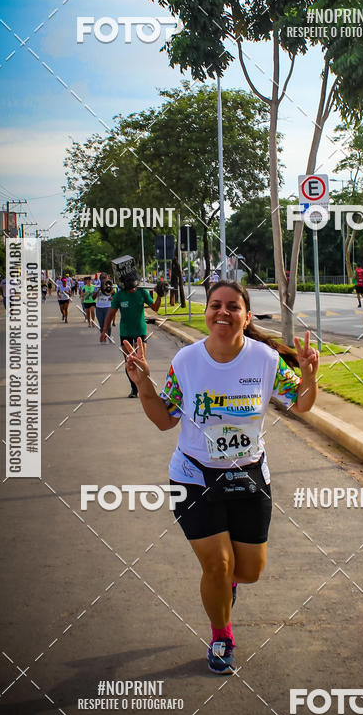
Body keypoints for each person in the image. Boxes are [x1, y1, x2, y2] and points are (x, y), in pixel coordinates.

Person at [124, 280, 319, 674]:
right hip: (194, 477)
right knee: (217, 564)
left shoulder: (264, 359)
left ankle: (227, 586)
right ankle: (222, 636)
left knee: (247, 571)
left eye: (233, 307)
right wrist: (143, 381)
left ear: (247, 317)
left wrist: (311, 377)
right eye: (216, 305)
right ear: (208, 311)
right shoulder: (187, 360)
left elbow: (301, 404)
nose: (223, 312)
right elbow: (164, 419)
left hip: (248, 476)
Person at [100, 274, 161, 397]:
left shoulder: (142, 292)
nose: (133, 290)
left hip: (140, 330)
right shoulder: (119, 295)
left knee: (141, 360)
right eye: (130, 288)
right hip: (126, 331)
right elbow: (111, 314)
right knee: (129, 362)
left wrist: (160, 294)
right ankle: (134, 389)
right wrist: (104, 330)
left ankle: (144, 387)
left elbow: (155, 308)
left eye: (134, 287)